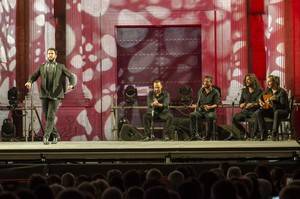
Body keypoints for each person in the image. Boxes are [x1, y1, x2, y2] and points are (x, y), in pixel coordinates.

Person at [25, 48, 75, 145]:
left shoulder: (61, 66)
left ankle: (46, 137)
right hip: (44, 94)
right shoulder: (42, 66)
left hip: (56, 94)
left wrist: (71, 84)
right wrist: (29, 82)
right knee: (47, 117)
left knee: (50, 115)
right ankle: (56, 136)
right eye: (48, 53)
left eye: (52, 53)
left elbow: (71, 76)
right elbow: (34, 76)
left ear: (55, 55)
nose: (50, 55)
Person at [252, 75, 289, 141]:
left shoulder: (281, 92)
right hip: (272, 111)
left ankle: (274, 134)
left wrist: (272, 102)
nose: (267, 83)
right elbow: (259, 97)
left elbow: (282, 106)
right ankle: (263, 133)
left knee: (277, 112)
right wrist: (260, 102)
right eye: (267, 81)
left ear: (274, 82)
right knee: (258, 112)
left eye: (269, 81)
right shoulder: (268, 90)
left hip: (282, 112)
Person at [190, 76, 220, 140]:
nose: (205, 83)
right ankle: (194, 135)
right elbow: (199, 103)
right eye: (204, 81)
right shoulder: (201, 91)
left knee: (210, 116)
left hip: (211, 111)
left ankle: (208, 136)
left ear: (211, 83)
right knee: (192, 115)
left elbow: (217, 104)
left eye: (207, 81)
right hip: (201, 111)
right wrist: (196, 106)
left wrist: (209, 107)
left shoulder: (215, 92)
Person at [232, 74, 262, 139]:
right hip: (245, 112)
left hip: (255, 111)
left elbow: (259, 103)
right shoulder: (244, 90)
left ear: (253, 80)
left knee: (257, 118)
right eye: (246, 80)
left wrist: (252, 104)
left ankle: (253, 136)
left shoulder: (259, 91)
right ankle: (245, 133)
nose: (246, 81)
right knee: (234, 118)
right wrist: (241, 105)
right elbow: (240, 102)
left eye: (248, 79)